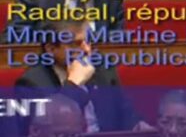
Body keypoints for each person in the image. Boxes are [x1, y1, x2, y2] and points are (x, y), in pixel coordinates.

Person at [14, 20, 148, 133]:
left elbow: (125, 113)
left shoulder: (102, 69)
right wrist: (73, 85)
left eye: (88, 42)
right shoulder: (31, 83)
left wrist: (138, 126)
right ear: (51, 49)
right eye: (76, 44)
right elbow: (50, 129)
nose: (86, 50)